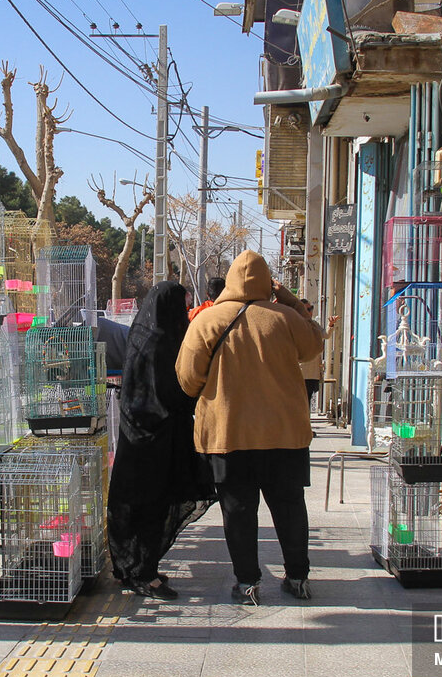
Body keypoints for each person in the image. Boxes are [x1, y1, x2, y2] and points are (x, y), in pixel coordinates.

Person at [176, 251, 325, 605]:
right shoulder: (286, 318)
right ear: (266, 281)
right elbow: (314, 343)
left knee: (239, 511)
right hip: (284, 435)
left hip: (229, 434)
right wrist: (287, 297)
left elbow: (187, 378)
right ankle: (298, 578)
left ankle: (248, 584)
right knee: (290, 507)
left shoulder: (207, 320)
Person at [107, 281, 214, 599]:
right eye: (181, 306)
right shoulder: (161, 343)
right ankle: (141, 573)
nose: (184, 312)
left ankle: (141, 567)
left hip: (144, 438)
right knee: (150, 506)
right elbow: (168, 390)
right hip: (153, 441)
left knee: (150, 505)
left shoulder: (144, 337)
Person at [298, 298, 338, 410]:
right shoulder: (295, 324)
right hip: (299, 370)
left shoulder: (314, 324)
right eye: (307, 309)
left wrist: (330, 325)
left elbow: (325, 334)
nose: (310, 311)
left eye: (311, 308)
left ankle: (306, 425)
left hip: (312, 371)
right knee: (300, 401)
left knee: (307, 399)